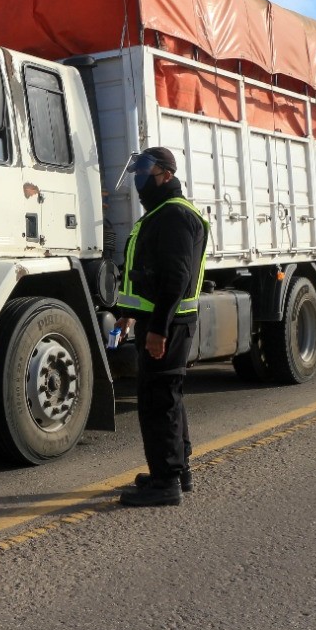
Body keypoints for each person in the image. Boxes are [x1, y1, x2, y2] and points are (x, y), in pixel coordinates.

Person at [113, 147, 208, 507]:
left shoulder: (173, 216)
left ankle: (165, 482)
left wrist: (159, 330)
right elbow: (147, 276)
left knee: (158, 402)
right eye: (136, 171)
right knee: (169, 398)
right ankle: (176, 471)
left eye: (145, 172)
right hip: (162, 319)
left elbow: (176, 278)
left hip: (169, 323)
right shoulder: (161, 213)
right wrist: (128, 313)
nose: (139, 180)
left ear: (166, 175)